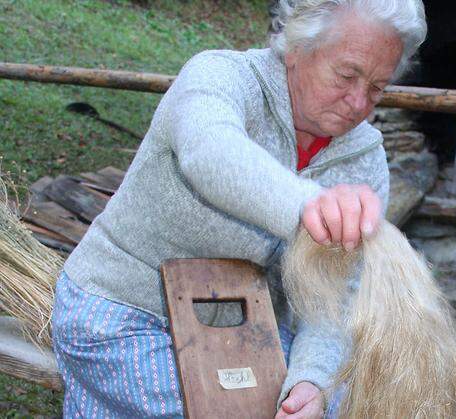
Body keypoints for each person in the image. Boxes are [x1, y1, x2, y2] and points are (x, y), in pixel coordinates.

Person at [50, 0, 427, 417]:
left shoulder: (366, 159)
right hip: (125, 313)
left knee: (342, 404)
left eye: (377, 87)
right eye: (346, 75)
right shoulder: (221, 77)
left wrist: (312, 381)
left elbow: (333, 302)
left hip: (248, 334)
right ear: (298, 46)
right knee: (236, 410)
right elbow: (209, 152)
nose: (359, 102)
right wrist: (310, 206)